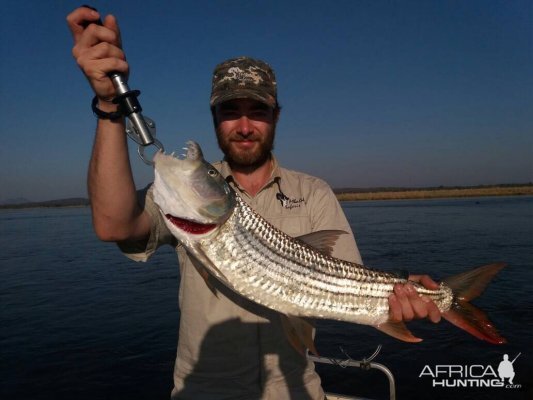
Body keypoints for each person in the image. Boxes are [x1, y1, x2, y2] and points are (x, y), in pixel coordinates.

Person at [67, 6, 442, 399]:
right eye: (230, 111)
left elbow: (348, 283)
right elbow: (113, 225)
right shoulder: (183, 202)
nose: (244, 127)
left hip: (294, 390)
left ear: (276, 117)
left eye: (257, 112)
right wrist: (110, 105)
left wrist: (399, 297)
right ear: (214, 118)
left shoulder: (314, 191)